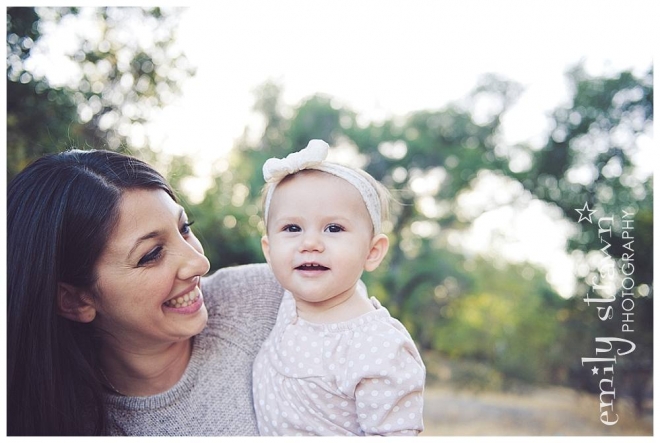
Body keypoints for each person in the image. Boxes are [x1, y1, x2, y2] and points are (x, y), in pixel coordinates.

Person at [7, 149, 283, 436]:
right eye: (151, 254)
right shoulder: (59, 427)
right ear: (75, 301)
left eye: (184, 228)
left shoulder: (271, 297)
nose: (199, 263)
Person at [252, 139, 426, 436]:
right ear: (269, 251)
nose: (310, 244)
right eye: (292, 228)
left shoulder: (379, 346)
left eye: (334, 228)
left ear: (372, 252)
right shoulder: (288, 303)